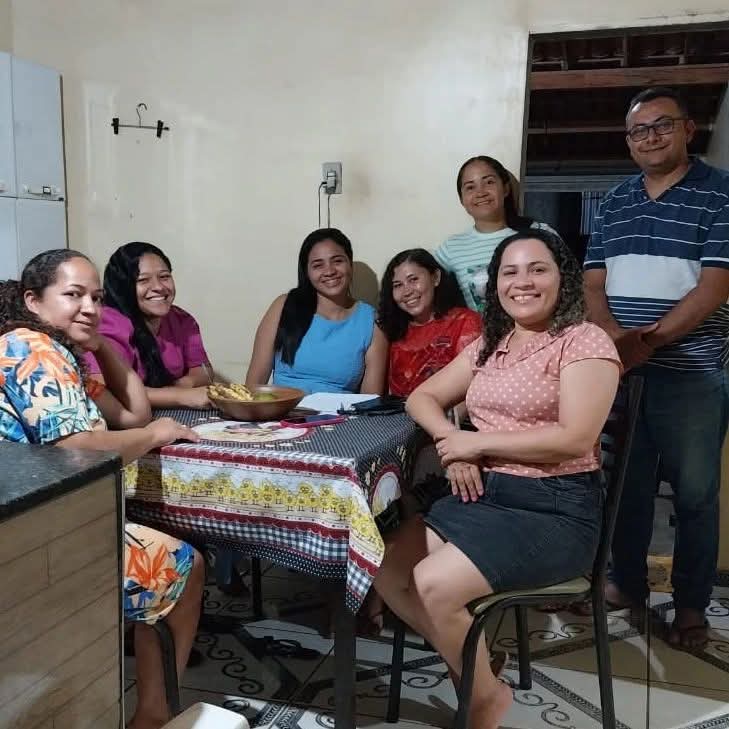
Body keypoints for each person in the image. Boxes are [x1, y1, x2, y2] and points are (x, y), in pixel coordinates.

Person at [375, 230, 621, 729]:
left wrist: (477, 444)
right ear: (495, 284)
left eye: (538, 269)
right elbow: (421, 397)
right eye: (510, 272)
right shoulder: (492, 343)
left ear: (562, 278)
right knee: (381, 565)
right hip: (483, 496)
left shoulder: (583, 340)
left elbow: (575, 438)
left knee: (431, 584)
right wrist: (453, 440)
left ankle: (482, 700)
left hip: (553, 509)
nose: (522, 282)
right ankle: (482, 676)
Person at [0, 249, 205, 729]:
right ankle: (152, 715)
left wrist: (98, 346)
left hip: (50, 517)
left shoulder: (62, 353)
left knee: (174, 553)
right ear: (33, 301)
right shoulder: (31, 347)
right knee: (187, 565)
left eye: (96, 298)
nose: (90, 307)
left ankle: (146, 707)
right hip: (33, 535)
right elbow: (79, 447)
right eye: (73, 295)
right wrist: (153, 437)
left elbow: (133, 413)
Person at [583, 86, 729, 651]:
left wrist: (649, 340)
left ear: (688, 129)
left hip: (693, 372)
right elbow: (594, 281)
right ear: (629, 142)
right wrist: (613, 339)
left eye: (662, 125)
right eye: (639, 130)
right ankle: (626, 583)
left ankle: (690, 604)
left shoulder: (719, 193)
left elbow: (714, 287)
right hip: (624, 369)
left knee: (694, 494)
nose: (650, 137)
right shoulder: (615, 200)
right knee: (627, 487)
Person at [246, 228, 388, 395]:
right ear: (307, 272)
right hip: (282, 409)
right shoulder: (284, 306)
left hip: (339, 411)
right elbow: (253, 385)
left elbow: (369, 400)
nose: (329, 271)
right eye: (318, 265)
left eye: (337, 261)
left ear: (350, 264)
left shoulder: (371, 322)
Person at [85, 242, 212, 409]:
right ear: (122, 287)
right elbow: (105, 390)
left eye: (164, 277)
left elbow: (204, 372)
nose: (159, 287)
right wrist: (181, 396)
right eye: (143, 280)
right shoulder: (109, 323)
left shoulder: (182, 319)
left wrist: (181, 386)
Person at [434, 155, 558, 313]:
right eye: (470, 187)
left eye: (489, 182)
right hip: (484, 329)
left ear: (505, 189)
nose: (480, 192)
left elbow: (570, 283)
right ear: (462, 200)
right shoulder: (452, 248)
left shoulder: (540, 233)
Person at [378, 248, 481, 398]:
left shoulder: (465, 322)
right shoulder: (391, 329)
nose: (407, 292)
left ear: (436, 278)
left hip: (447, 410)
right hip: (396, 411)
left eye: (413, 279)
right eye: (398, 285)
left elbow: (470, 388)